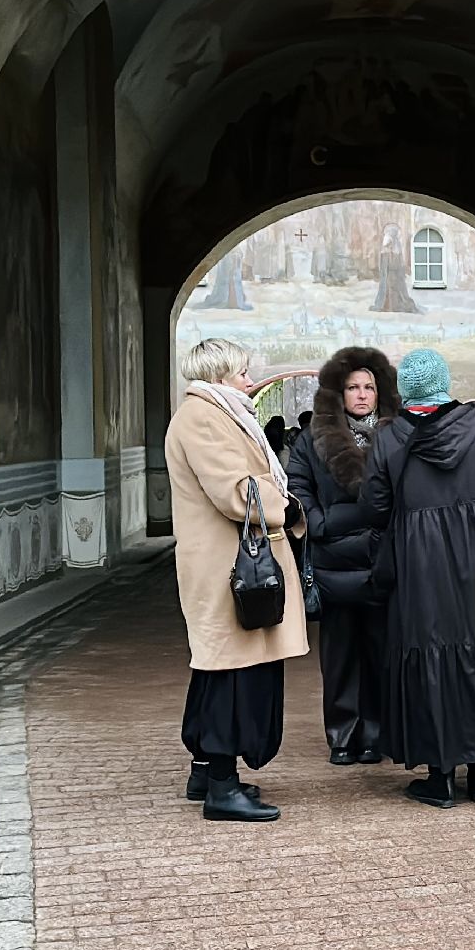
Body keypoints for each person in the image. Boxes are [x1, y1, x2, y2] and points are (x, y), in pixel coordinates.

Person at [364, 349, 475, 808]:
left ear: (406, 390)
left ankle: (440, 776)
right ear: (444, 383)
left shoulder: (389, 439)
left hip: (417, 565)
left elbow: (375, 510)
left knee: (428, 655)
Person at [164, 338, 309, 823]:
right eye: (243, 372)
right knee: (231, 672)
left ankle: (207, 769)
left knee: (218, 668)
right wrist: (284, 504)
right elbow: (234, 490)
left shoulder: (216, 413)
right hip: (228, 568)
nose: (250, 380)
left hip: (228, 564)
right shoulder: (204, 416)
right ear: (220, 374)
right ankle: (222, 786)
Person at [285, 348, 399, 766]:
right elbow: (297, 483)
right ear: (338, 393)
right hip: (334, 559)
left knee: (380, 652)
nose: (362, 395)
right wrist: (318, 522)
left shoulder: (396, 435)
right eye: (353, 387)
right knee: (338, 656)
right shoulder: (313, 439)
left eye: (369, 387)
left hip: (381, 559)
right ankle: (343, 735)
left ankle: (376, 733)